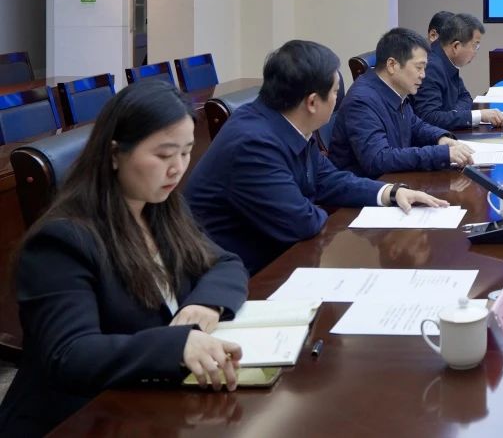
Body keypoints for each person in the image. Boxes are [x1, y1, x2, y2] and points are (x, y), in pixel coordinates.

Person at [0, 80, 249, 437]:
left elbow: (226, 263)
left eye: (186, 152)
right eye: (164, 155)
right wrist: (176, 345)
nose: (178, 168)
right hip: (78, 417)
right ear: (115, 154)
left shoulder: (162, 208)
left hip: (148, 403)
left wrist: (207, 304)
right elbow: (70, 354)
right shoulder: (61, 241)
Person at [186, 40, 446, 274]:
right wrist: (330, 217)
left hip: (277, 258)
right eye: (335, 92)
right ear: (312, 102)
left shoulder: (287, 122)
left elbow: (327, 178)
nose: (337, 101)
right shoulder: (253, 145)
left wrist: (390, 191)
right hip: (237, 277)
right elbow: (302, 222)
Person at [330, 27, 475, 178]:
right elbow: (378, 159)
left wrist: (441, 138)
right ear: (392, 65)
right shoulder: (362, 101)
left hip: (393, 179)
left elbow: (415, 125)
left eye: (424, 68)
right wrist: (441, 154)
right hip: (368, 186)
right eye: (419, 67)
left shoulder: (394, 89)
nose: (423, 75)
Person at [413, 12, 503, 130]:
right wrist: (479, 115)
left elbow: (465, 97)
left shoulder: (445, 60)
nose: (476, 52)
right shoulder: (431, 67)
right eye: (475, 46)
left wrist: (453, 114)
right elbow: (430, 118)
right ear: (456, 46)